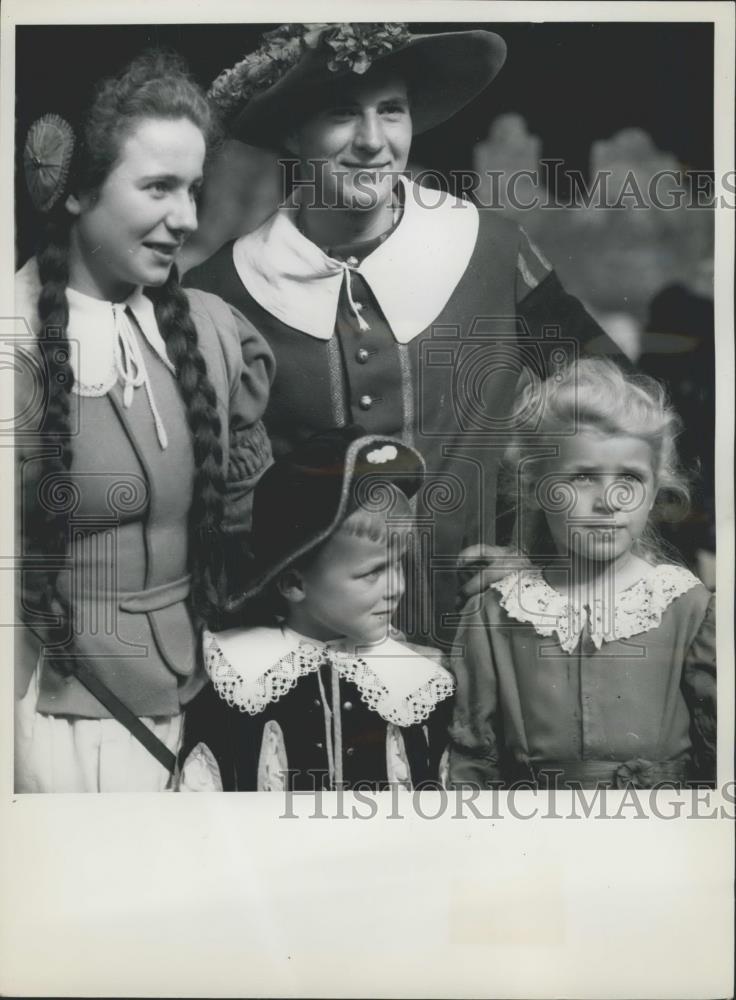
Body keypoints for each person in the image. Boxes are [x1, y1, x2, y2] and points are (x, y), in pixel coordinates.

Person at [184, 22, 630, 650]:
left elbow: (619, 411)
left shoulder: (493, 251)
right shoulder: (220, 292)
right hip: (311, 662)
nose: (372, 141)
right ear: (291, 130)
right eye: (342, 113)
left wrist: (542, 553)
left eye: (391, 111)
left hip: (490, 641)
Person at [14, 51, 275, 793]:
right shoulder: (14, 346)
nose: (186, 219)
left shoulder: (215, 333)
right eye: (158, 187)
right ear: (74, 190)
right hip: (65, 730)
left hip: (201, 714)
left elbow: (255, 535)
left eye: (193, 189)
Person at [447, 359, 716, 789]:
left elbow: (720, 758)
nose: (609, 501)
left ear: (654, 493)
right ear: (537, 486)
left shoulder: (690, 608)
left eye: (630, 477)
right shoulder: (494, 613)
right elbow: (472, 763)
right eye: (584, 478)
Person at [181, 426, 455, 791]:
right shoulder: (235, 676)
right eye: (372, 572)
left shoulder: (420, 684)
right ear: (294, 583)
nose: (397, 587)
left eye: (398, 564)